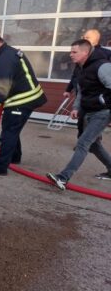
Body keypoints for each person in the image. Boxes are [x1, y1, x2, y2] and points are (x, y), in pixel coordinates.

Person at [0, 35, 47, 175]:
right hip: (26, 97)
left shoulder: (5, 59)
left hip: (22, 100)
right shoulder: (7, 53)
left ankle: (0, 167)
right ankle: (14, 157)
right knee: (12, 128)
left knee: (8, 132)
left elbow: (1, 88)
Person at [47, 40, 111, 189]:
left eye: (74, 52)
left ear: (85, 52)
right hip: (88, 110)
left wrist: (105, 106)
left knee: (83, 142)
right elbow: (81, 90)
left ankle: (63, 178)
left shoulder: (102, 67)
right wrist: (76, 108)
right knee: (94, 145)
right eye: (71, 51)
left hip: (103, 112)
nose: (71, 55)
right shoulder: (81, 68)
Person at [62, 29, 111, 138]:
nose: (84, 39)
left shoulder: (106, 54)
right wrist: (68, 89)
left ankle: (91, 142)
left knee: (94, 124)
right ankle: (83, 142)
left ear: (96, 39)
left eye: (87, 38)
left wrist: (105, 100)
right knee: (81, 122)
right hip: (82, 94)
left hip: (97, 97)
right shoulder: (80, 54)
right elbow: (76, 74)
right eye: (84, 37)